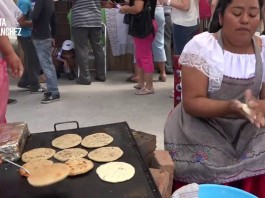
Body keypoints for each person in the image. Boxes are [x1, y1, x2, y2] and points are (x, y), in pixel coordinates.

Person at [164, 0, 265, 197]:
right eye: (237, 13)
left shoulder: (263, 51)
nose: (245, 20)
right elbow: (192, 102)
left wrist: (260, 106)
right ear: (220, 17)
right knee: (208, 160)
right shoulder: (202, 47)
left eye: (253, 14)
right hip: (202, 123)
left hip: (247, 126)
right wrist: (231, 107)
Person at [120, 0, 158, 95]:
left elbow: (137, 8)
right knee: (140, 55)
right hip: (146, 23)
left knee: (145, 57)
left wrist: (126, 9)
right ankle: (141, 82)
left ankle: (149, 87)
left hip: (144, 25)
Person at [71, 0, 106, 85]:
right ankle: (101, 75)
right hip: (95, 20)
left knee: (81, 49)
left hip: (80, 20)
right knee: (98, 48)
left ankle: (85, 77)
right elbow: (104, 2)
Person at [32, 0, 60, 104]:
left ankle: (54, 92)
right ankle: (51, 89)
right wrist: (53, 35)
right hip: (47, 35)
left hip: (39, 35)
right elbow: (54, 21)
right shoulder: (50, 2)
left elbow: (35, 16)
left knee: (46, 65)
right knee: (47, 64)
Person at [17, 0, 46, 94]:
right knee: (34, 60)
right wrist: (37, 23)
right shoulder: (25, 3)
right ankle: (35, 86)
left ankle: (25, 81)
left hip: (27, 34)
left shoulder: (26, 2)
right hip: (27, 35)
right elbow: (20, 21)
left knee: (30, 59)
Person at [163, 5, 174, 75]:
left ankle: (168, 67)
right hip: (174, 16)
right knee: (174, 43)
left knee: (166, 42)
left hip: (166, 15)